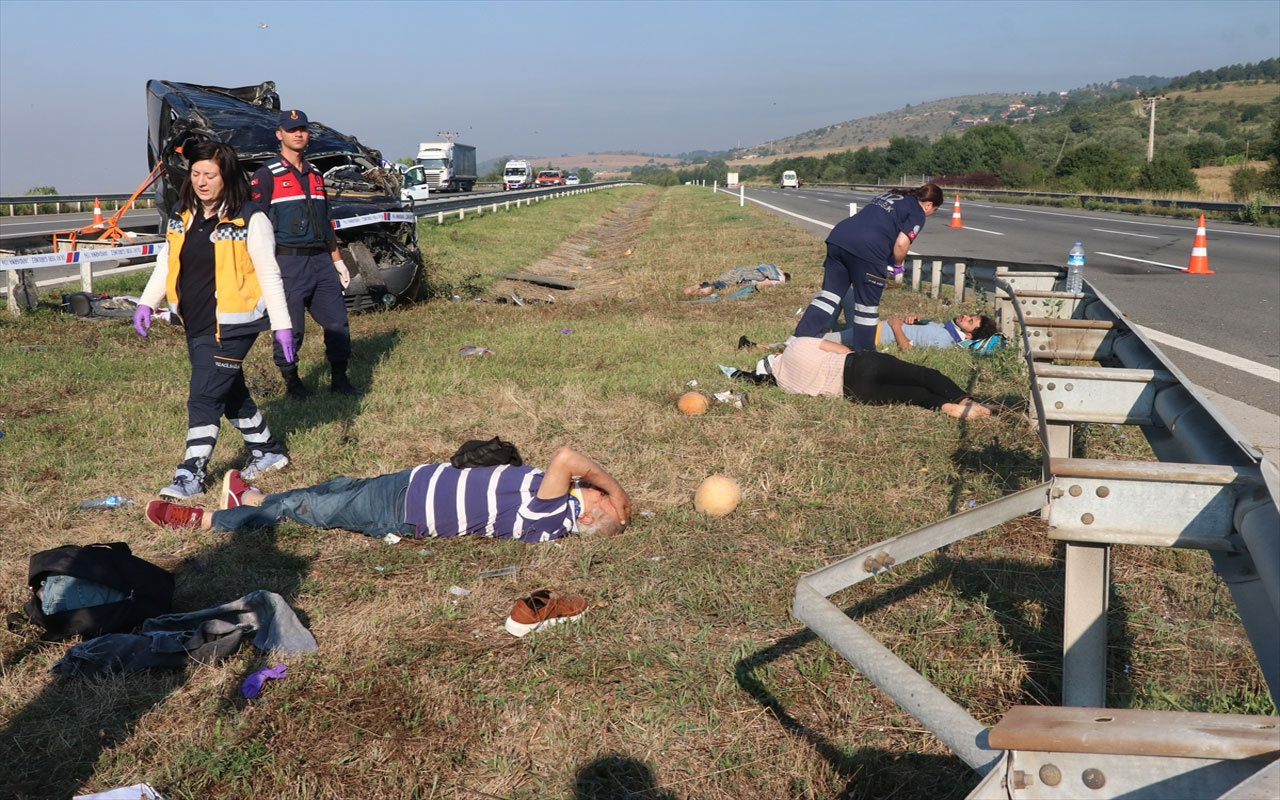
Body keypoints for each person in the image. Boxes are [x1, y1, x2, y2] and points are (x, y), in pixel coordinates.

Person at [132, 140, 297, 499]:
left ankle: (190, 474)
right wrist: (147, 302)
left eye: (210, 174)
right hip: (196, 320)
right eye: (196, 174)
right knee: (229, 391)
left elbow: (270, 274)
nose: (201, 181)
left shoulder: (250, 218)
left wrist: (283, 325)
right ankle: (268, 451)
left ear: (227, 177)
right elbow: (167, 261)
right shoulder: (183, 213)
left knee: (204, 395)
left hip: (234, 326)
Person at [145, 446, 632, 543]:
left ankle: (205, 522)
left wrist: (617, 488)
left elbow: (568, 456)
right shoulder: (561, 501)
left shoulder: (551, 517)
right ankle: (251, 500)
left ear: (587, 518)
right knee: (334, 489)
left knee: (309, 508)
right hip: (412, 484)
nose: (592, 489)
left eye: (598, 498)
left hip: (402, 509)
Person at [250, 108, 363, 399]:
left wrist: (337, 260)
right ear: (280, 135)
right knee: (291, 327)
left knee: (337, 322)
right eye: (291, 130)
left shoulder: (314, 175)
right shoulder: (266, 176)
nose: (298, 134)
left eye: (302, 129)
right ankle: (292, 382)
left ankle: (340, 379)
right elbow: (254, 228)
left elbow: (324, 223)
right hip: (287, 262)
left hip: (320, 261)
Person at [793, 183, 943, 351]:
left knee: (828, 297)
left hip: (839, 238)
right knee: (866, 308)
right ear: (929, 205)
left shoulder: (890, 196)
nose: (930, 214)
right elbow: (901, 244)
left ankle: (796, 341)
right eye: (934, 210)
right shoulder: (918, 212)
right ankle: (864, 355)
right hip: (869, 250)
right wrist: (897, 266)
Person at [744, 336, 993, 419]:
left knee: (914, 396)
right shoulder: (797, 345)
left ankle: (946, 406)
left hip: (855, 393)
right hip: (858, 364)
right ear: (777, 355)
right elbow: (842, 350)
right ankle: (965, 400)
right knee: (924, 375)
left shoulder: (786, 385)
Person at [827, 312, 999, 351]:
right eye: (971, 315)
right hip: (872, 326)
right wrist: (911, 320)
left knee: (817, 340)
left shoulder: (944, 340)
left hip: (872, 335)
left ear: (968, 335)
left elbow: (907, 349)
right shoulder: (945, 329)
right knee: (849, 294)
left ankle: (805, 337)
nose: (965, 316)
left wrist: (896, 326)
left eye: (970, 321)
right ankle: (824, 327)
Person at [683, 263, 790, 297]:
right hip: (745, 278)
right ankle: (703, 289)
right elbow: (764, 283)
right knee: (718, 286)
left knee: (718, 282)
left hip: (741, 270)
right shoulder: (779, 279)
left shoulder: (771, 266)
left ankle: (698, 286)